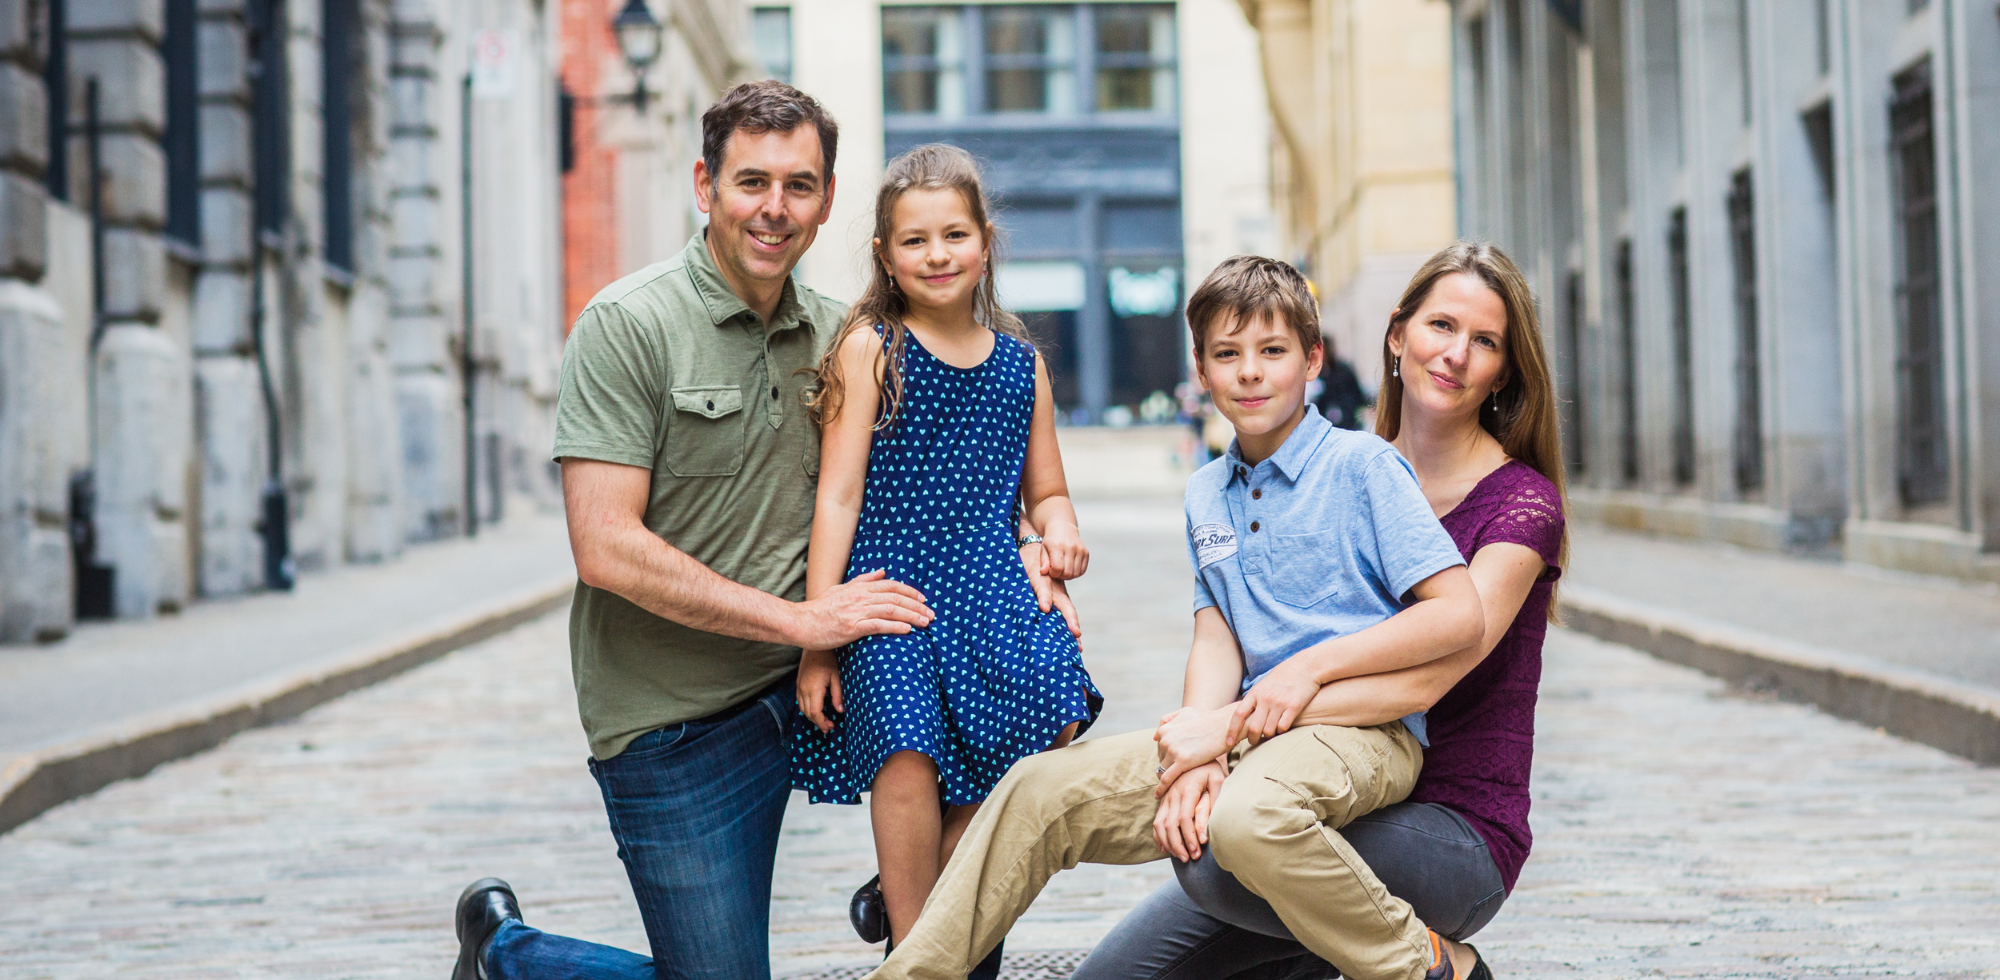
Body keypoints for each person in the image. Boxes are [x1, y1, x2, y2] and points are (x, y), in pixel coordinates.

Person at [446, 83, 1079, 980]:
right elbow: (603, 546)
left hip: (821, 681)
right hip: (682, 718)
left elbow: (943, 472)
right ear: (705, 185)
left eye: (799, 185)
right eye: (752, 182)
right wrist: (805, 623)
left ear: (826, 201)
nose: (775, 208)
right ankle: (508, 956)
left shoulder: (844, 335)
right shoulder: (628, 324)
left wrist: (1032, 554)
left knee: (983, 818)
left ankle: (914, 888)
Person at [860, 254, 1491, 980]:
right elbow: (1217, 633)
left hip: (1361, 731)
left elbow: (1457, 615)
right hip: (1244, 730)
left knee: (1248, 817)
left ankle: (1425, 966)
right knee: (1034, 792)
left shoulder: (1362, 466)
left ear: (1313, 358)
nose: (1249, 372)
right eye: (1227, 354)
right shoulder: (1206, 492)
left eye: (1273, 351)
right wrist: (1198, 750)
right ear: (1200, 368)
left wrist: (1304, 675)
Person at [1075, 240, 1567, 980]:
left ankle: (1447, 965)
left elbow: (1429, 680)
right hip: (1304, 797)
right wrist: (1212, 748)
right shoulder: (1343, 471)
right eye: (1441, 326)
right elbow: (1233, 628)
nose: (1456, 353)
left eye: (1486, 341)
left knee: (1218, 855)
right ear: (1397, 335)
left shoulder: (1522, 506)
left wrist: (1231, 727)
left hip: (1449, 830)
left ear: (1504, 369)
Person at [790, 144, 1102, 973]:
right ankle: (912, 943)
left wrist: (1060, 532)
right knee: (905, 747)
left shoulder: (1022, 366)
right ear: (885, 255)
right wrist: (820, 634)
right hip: (889, 593)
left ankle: (924, 884)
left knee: (1057, 704)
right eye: (915, 240)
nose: (937, 254)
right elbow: (838, 497)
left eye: (954, 235)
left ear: (986, 242)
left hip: (992, 588)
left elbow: (1047, 491)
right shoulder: (872, 349)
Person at [1313, 335, 1371, 430]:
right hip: (1324, 423)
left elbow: (1357, 393)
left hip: (1347, 421)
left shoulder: (1343, 370)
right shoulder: (1315, 374)